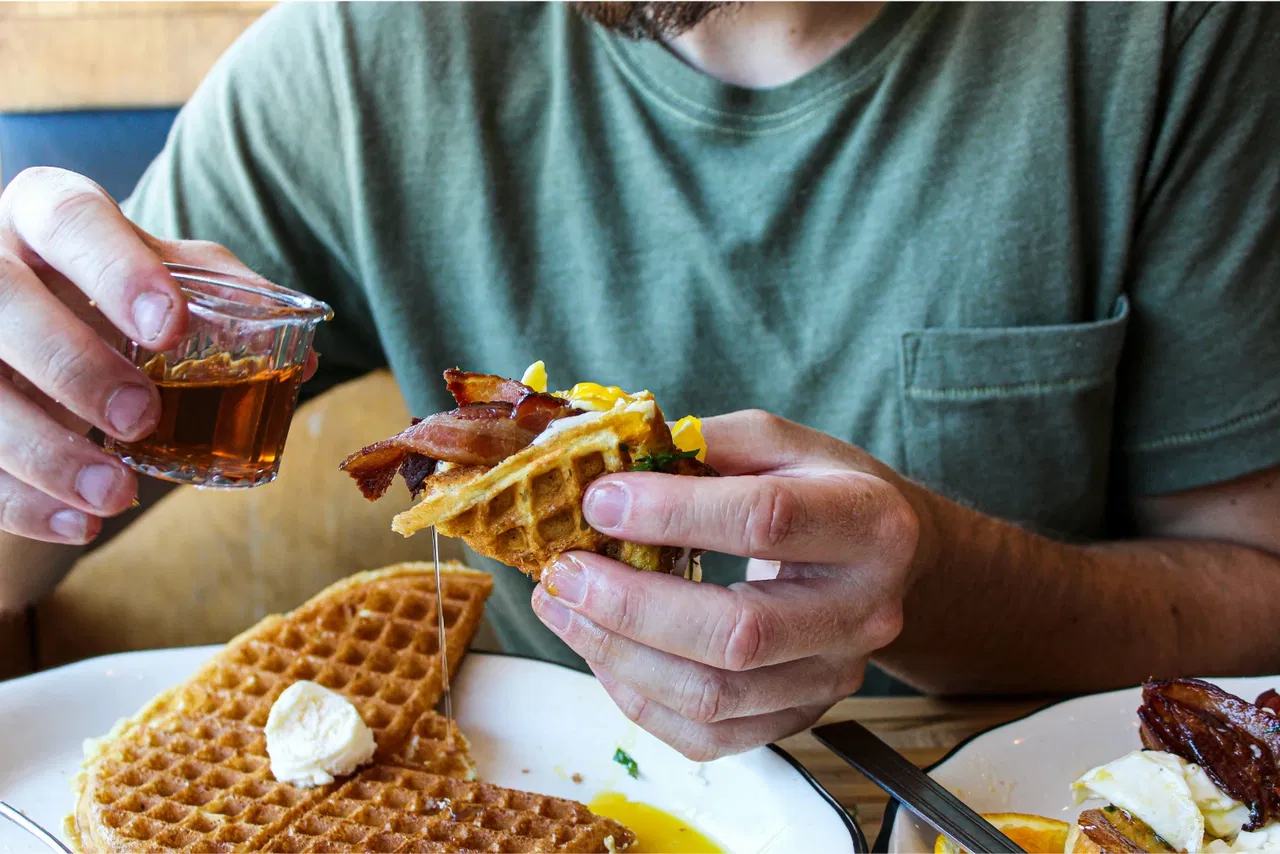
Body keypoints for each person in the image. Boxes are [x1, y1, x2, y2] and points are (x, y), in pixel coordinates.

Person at [1, 1, 1277, 761]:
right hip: (553, 791)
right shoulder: (361, 59)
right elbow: (38, 514)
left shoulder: (1175, 38)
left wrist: (935, 580)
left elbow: (1255, 587)